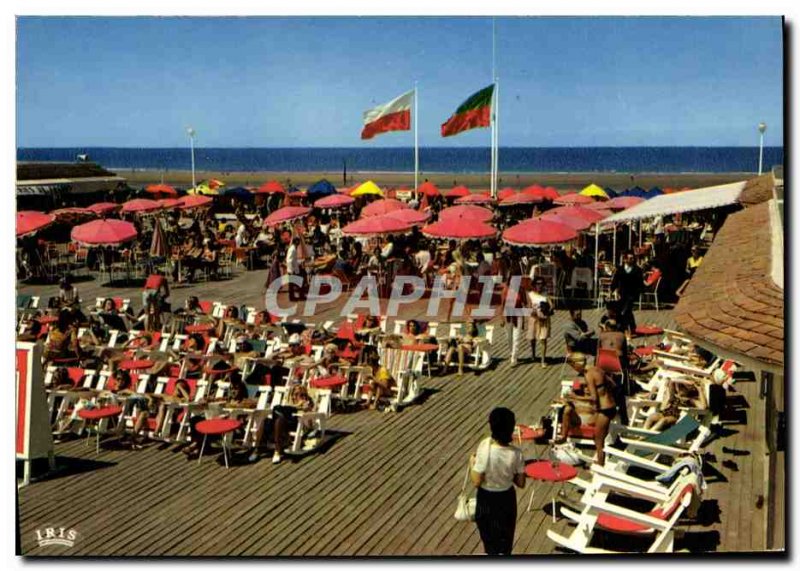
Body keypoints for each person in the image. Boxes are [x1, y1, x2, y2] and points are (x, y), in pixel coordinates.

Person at [470, 407, 526, 556]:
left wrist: (471, 463)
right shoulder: (517, 454)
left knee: (490, 543)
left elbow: (476, 480)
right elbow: (521, 483)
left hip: (487, 499)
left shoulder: (485, 446)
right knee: (505, 542)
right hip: (506, 499)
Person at [271, 383, 316, 464]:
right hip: (285, 424)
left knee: (277, 410)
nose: (298, 396)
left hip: (297, 424)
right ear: (292, 395)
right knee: (279, 417)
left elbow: (310, 425)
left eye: (302, 394)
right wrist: (296, 406)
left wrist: (306, 410)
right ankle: (278, 449)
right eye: (295, 394)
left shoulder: (307, 404)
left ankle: (277, 450)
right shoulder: (289, 404)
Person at [584, 365, 616, 466]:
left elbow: (594, 398)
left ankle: (600, 465)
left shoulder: (588, 375)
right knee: (595, 432)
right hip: (610, 406)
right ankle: (600, 461)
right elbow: (613, 384)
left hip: (604, 410)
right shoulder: (598, 369)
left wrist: (575, 397)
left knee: (599, 441)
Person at [610, 251, 644, 337]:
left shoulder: (637, 270)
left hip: (632, 295)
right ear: (625, 259)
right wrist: (613, 291)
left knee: (625, 311)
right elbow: (615, 281)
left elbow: (640, 283)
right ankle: (631, 328)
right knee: (625, 311)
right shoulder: (620, 269)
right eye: (629, 258)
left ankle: (624, 329)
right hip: (622, 294)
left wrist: (639, 292)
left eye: (632, 258)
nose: (631, 260)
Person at [526, 277, 552, 367]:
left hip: (544, 319)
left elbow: (552, 305)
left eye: (541, 283)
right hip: (534, 318)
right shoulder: (530, 294)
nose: (539, 285)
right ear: (534, 285)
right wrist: (534, 311)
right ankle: (533, 354)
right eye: (537, 283)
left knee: (543, 339)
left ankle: (543, 360)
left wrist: (547, 310)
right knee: (532, 338)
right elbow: (529, 307)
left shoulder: (545, 294)